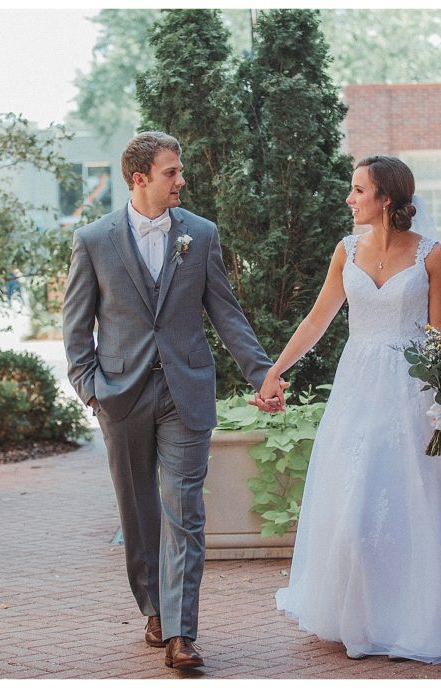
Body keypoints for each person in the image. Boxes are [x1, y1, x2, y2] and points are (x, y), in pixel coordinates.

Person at [266, 155, 441, 663]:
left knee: (416, 504)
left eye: (358, 190)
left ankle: (418, 616)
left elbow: (440, 339)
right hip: (356, 390)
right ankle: (361, 615)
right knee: (354, 507)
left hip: (413, 394)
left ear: (385, 198)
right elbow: (317, 319)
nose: (349, 198)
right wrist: (275, 369)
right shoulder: (345, 252)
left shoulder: (431, 256)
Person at [63, 131, 286, 671]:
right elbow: (76, 329)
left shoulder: (201, 236)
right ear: (140, 179)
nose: (181, 180)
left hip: (186, 391)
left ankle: (182, 632)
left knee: (185, 510)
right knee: (139, 512)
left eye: (179, 170)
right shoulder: (94, 240)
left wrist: (264, 374)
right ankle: (155, 608)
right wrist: (92, 390)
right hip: (122, 394)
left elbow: (226, 313)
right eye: (171, 172)